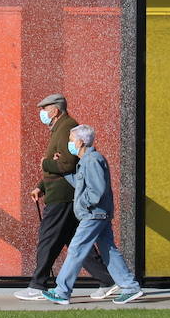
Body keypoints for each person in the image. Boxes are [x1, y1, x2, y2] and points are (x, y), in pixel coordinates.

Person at [13, 94, 119, 301]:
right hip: (62, 194)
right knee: (75, 242)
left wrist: (45, 163)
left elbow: (67, 165)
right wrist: (41, 186)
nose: (41, 113)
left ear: (56, 110)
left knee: (48, 239)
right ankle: (107, 279)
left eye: (45, 108)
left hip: (62, 196)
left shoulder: (67, 128)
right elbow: (60, 167)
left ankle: (38, 285)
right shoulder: (59, 128)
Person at [43, 123, 143, 305]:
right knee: (108, 251)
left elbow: (97, 190)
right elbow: (81, 184)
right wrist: (63, 171)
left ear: (80, 142)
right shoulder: (86, 162)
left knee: (76, 249)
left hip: (93, 214)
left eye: (71, 140)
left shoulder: (93, 160)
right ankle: (130, 287)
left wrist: (83, 204)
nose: (69, 143)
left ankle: (62, 291)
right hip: (98, 214)